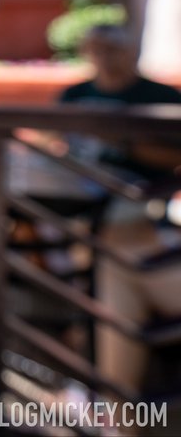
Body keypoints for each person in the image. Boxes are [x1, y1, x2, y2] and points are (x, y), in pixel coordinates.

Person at [58, 24, 181, 396]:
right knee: (111, 259)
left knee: (112, 254)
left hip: (134, 203)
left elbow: (174, 157)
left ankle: (92, 381)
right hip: (81, 202)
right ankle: (109, 406)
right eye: (96, 49)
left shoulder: (159, 96)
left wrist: (122, 143)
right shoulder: (74, 94)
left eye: (112, 49)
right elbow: (54, 144)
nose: (104, 57)